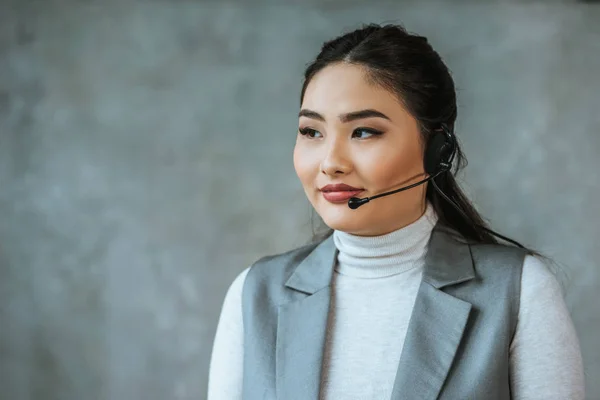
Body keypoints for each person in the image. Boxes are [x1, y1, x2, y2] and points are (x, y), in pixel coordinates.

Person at [207, 23, 585, 399]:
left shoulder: (519, 292)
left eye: (364, 132)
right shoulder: (254, 294)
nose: (330, 163)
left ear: (438, 150)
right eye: (311, 132)